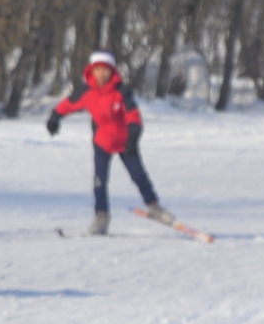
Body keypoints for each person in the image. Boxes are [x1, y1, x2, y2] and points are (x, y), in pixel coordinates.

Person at [46, 49, 175, 236]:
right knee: (99, 181)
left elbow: (134, 116)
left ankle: (154, 206)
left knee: (138, 176)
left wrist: (133, 136)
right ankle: (101, 217)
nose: (102, 74)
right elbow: (68, 104)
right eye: (97, 70)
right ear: (91, 71)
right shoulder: (87, 91)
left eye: (106, 70)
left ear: (112, 71)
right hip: (102, 142)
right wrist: (54, 118)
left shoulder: (121, 92)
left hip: (125, 141)